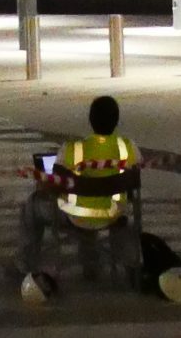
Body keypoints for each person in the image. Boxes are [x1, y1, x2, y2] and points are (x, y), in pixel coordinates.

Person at [17, 93, 142, 304]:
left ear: (90, 120)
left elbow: (53, 185)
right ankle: (94, 265)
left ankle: (24, 265)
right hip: (113, 216)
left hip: (74, 216)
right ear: (116, 121)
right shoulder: (129, 148)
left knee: (31, 206)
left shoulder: (72, 150)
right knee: (103, 209)